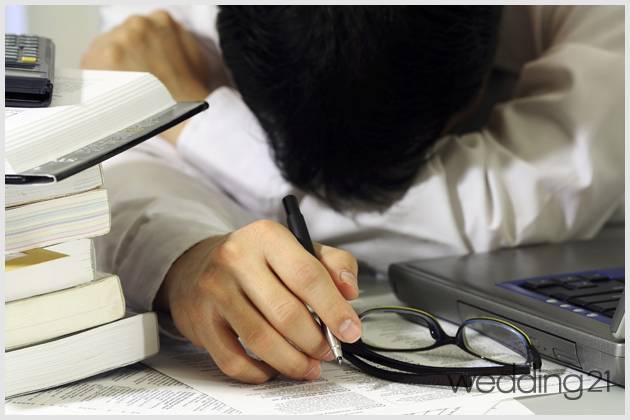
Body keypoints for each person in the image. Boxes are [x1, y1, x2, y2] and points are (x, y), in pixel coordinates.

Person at [81, 5, 624, 384]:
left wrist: (196, 121)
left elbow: (511, 203)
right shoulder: (167, 16)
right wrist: (189, 262)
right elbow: (107, 175)